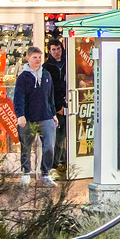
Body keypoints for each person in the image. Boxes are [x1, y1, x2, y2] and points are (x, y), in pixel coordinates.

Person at [13, 46, 58, 186]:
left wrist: (54, 114)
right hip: (28, 118)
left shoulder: (46, 75)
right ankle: (26, 173)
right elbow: (18, 98)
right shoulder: (23, 78)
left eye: (39, 57)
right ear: (28, 59)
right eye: (34, 57)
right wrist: (20, 115)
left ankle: (45, 173)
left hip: (46, 116)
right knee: (26, 146)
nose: (38, 60)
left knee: (49, 146)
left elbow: (50, 97)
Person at [43, 40, 69, 169]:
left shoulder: (68, 62)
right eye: (53, 49)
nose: (56, 52)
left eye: (58, 49)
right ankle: (54, 165)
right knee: (58, 137)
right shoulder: (47, 67)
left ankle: (65, 161)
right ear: (49, 51)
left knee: (67, 135)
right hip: (55, 107)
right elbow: (48, 90)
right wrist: (56, 107)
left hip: (70, 103)